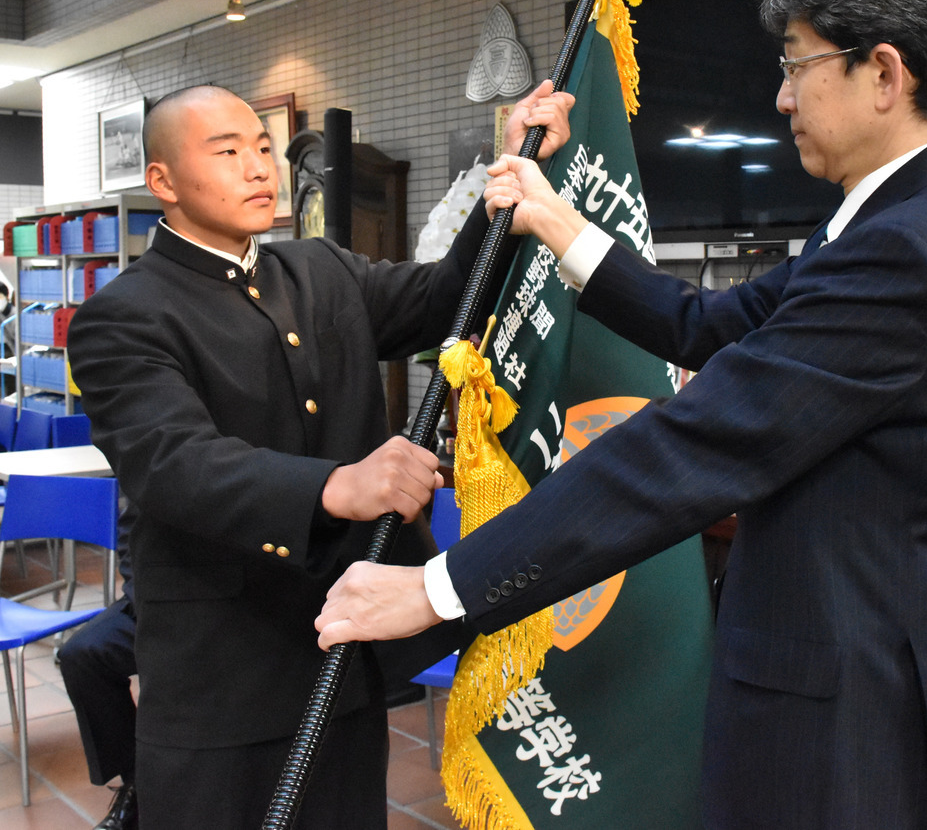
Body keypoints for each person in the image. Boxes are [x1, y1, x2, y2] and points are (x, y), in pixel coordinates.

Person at [315, 0, 927, 830]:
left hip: (843, 723)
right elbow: (707, 324)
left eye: (796, 65)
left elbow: (690, 442)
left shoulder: (906, 253)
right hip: (835, 679)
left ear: (882, 72)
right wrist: (557, 222)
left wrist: (437, 589)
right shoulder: (898, 220)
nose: (783, 97)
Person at [66, 80, 572, 829]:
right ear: (163, 182)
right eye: (228, 151)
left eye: (264, 148)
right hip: (222, 665)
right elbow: (173, 463)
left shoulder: (319, 270)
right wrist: (337, 485)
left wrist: (507, 178)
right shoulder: (123, 314)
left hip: (343, 647)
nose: (258, 167)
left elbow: (444, 300)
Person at [57, 504, 138, 830]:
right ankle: (135, 785)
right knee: (82, 655)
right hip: (154, 599)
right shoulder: (160, 458)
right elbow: (130, 533)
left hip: (226, 603)